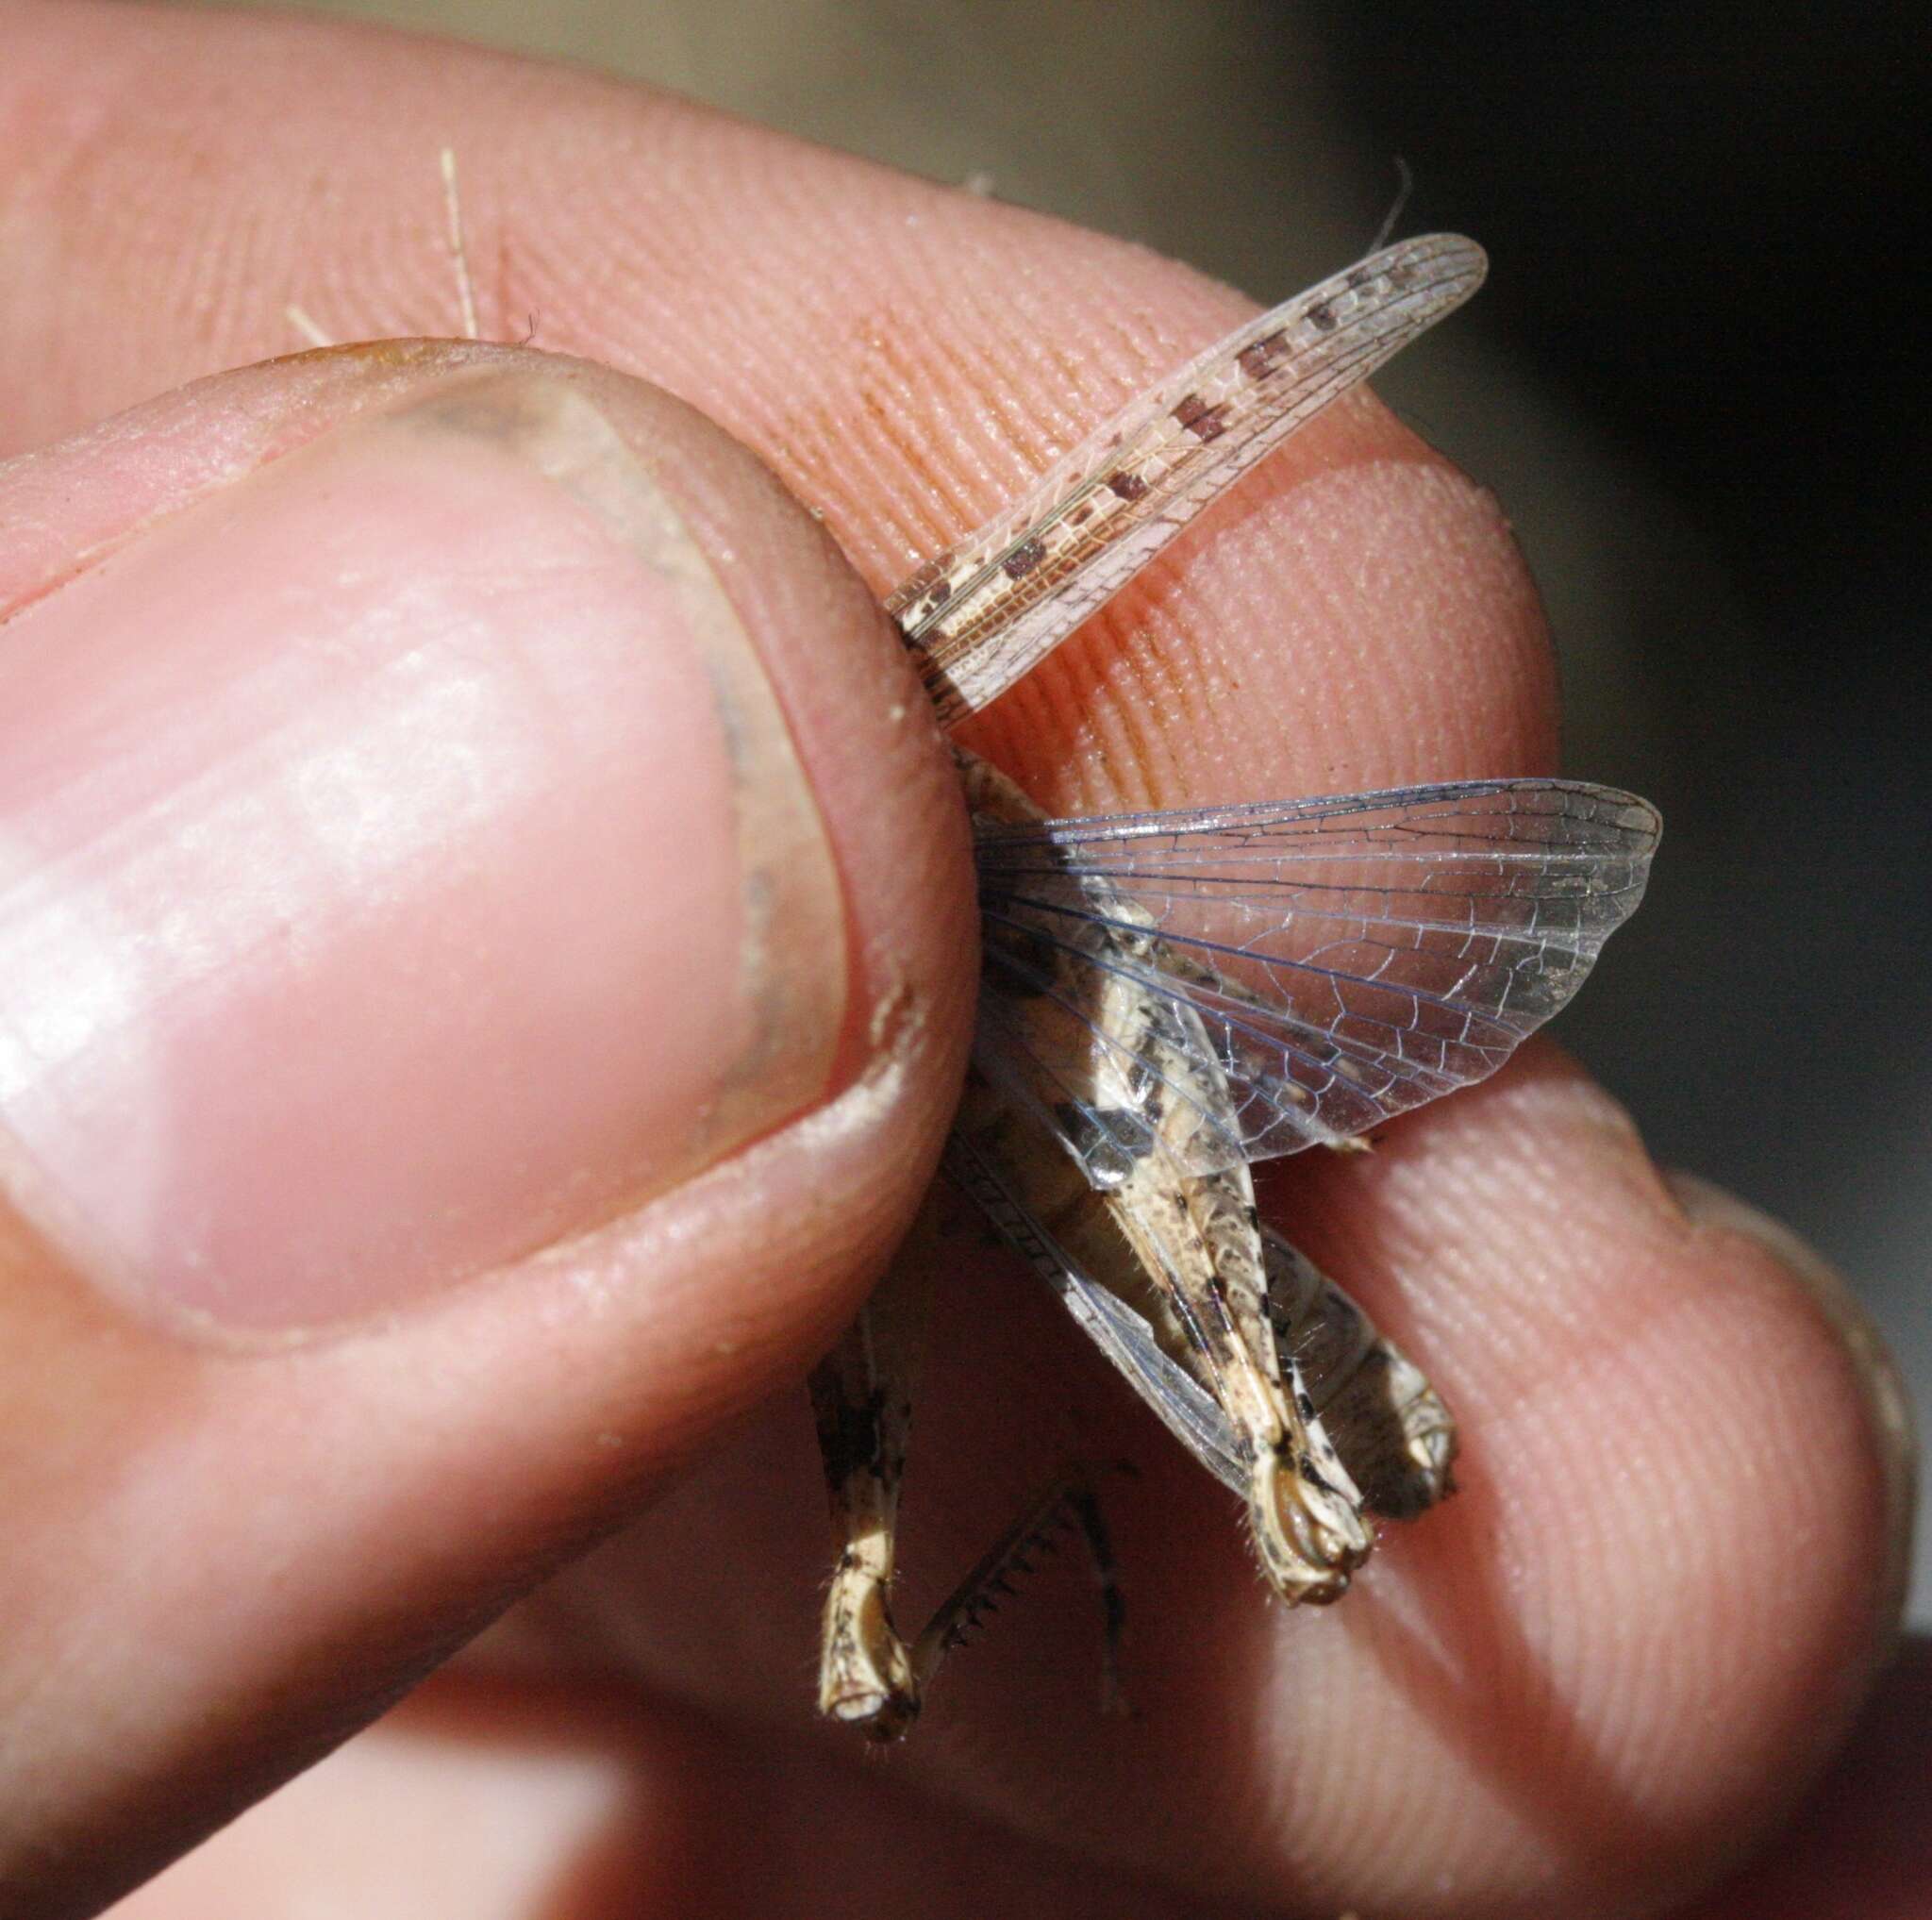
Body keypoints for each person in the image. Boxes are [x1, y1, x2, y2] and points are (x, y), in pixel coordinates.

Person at [0, 7, 1917, 1914]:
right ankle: (1073, 1527)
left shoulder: (888, 662)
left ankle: (1270, 1451)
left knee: (1258, 1360)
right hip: (950, 1125)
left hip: (1042, 1042)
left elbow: (1251, 396)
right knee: (875, 1565)